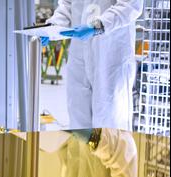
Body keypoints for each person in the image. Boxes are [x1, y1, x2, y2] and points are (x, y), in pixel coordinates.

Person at [42, 0, 144, 130]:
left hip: (111, 55)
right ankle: (83, 150)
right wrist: (53, 27)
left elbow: (131, 6)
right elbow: (67, 5)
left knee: (109, 120)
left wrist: (97, 26)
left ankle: (105, 150)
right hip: (79, 55)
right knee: (78, 118)